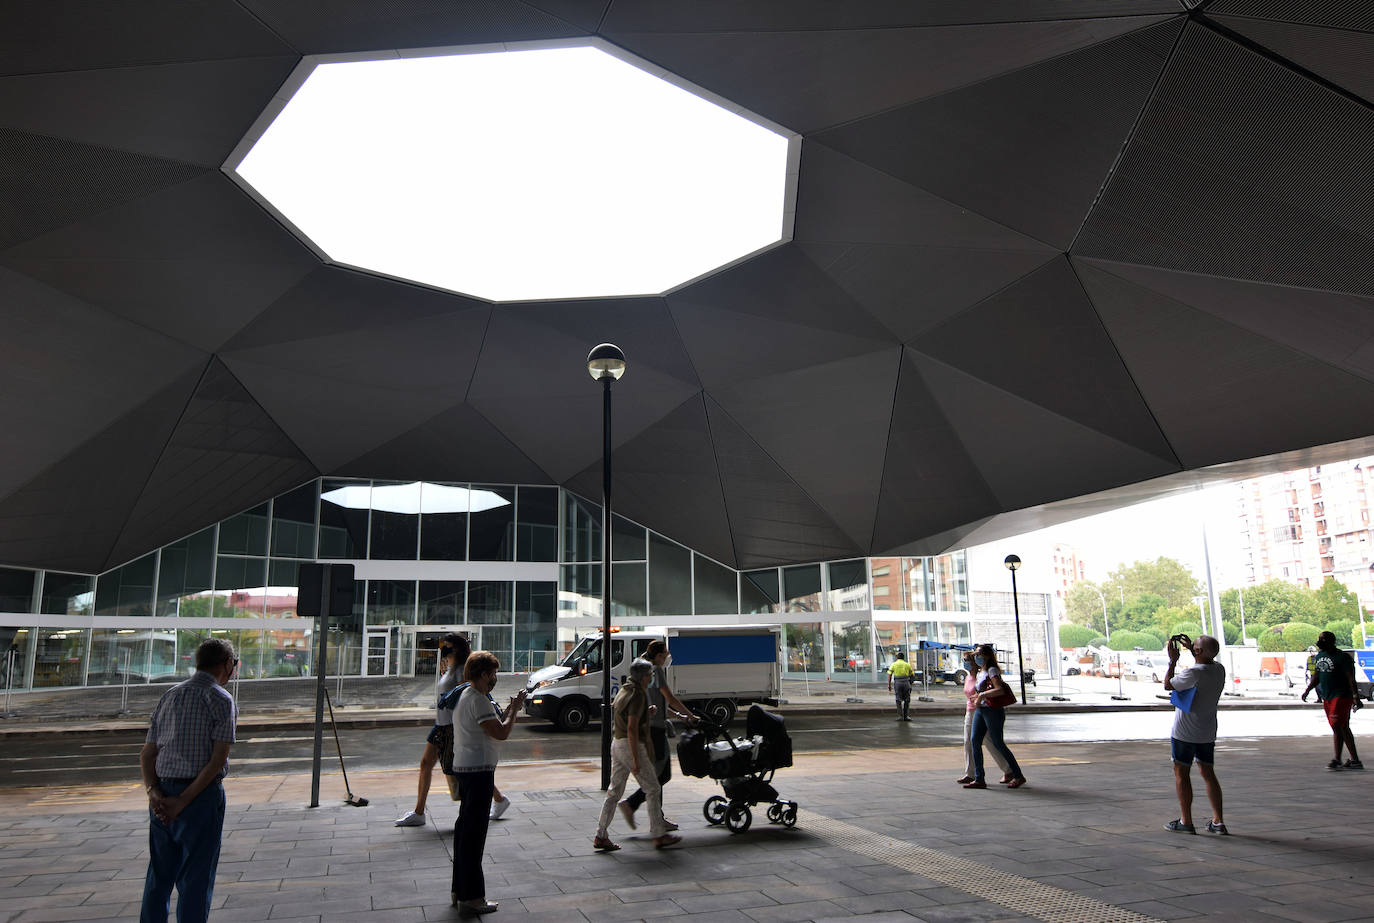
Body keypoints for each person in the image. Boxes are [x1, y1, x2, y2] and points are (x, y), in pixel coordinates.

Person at [139, 638, 238, 923]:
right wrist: (182, 802)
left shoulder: (171, 695)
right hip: (200, 797)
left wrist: (154, 794)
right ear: (227, 664)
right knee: (196, 877)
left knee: (158, 876)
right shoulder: (221, 699)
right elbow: (217, 760)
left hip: (161, 793)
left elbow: (147, 754)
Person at [450, 650, 525, 915]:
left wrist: (507, 709)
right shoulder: (479, 700)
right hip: (478, 772)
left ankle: (459, 889)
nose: (495, 678)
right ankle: (472, 898)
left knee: (465, 831)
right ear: (484, 674)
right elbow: (501, 732)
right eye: (493, 673)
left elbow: (491, 725)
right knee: (474, 836)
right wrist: (515, 710)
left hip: (466, 768)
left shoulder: (467, 696)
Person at [594, 659, 681, 851]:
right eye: (650, 674)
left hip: (616, 743)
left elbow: (626, 716)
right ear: (643, 677)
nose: (651, 677)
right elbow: (633, 729)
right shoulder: (638, 695)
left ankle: (601, 835)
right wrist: (635, 759)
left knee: (614, 792)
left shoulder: (626, 689)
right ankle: (659, 835)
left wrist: (646, 713)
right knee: (652, 788)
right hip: (629, 745)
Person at [620, 641, 697, 830]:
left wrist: (677, 715)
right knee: (661, 775)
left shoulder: (643, 670)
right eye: (666, 654)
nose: (667, 658)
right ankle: (633, 804)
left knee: (658, 774)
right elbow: (669, 698)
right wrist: (690, 715)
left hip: (648, 728)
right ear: (659, 656)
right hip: (655, 730)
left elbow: (657, 703)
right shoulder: (657, 671)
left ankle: (656, 819)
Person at [396, 633, 470, 827]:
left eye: (447, 646)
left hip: (451, 727)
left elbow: (465, 694)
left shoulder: (461, 669)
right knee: (428, 764)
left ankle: (494, 799)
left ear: (456, 648)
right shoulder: (450, 668)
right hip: (441, 724)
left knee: (458, 770)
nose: (443, 649)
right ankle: (419, 812)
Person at [1163, 634, 1227, 834]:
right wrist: (1194, 649)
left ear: (1197, 652)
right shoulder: (1219, 670)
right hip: (1207, 732)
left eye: (1195, 648)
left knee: (1181, 773)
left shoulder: (1193, 673)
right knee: (1208, 773)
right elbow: (1205, 660)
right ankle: (1218, 821)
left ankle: (1186, 821)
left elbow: (1168, 684)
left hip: (1184, 732)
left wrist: (1173, 661)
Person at [964, 644, 1025, 790]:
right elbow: (982, 689)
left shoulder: (992, 670)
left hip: (992, 710)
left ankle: (1017, 775)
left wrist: (982, 695)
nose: (976, 657)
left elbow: (999, 690)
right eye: (976, 655)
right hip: (981, 709)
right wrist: (976, 696)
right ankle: (979, 778)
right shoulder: (980, 671)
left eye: (979, 654)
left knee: (998, 743)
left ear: (987, 656)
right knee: (974, 741)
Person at [1302, 631, 1363, 771]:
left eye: (1323, 639)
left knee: (1337, 726)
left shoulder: (1343, 658)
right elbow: (1317, 676)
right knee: (1342, 727)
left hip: (1341, 696)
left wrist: (1355, 697)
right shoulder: (1320, 656)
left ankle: (1337, 759)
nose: (1320, 642)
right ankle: (1354, 760)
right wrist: (1308, 689)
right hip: (1328, 696)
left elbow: (1350, 678)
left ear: (1331, 641)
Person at [955, 649, 1010, 785]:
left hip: (982, 711)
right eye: (964, 660)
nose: (965, 663)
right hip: (970, 710)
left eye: (967, 660)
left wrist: (981, 697)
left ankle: (1009, 770)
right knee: (970, 742)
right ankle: (971, 773)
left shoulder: (982, 675)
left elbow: (990, 691)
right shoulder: (968, 677)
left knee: (989, 742)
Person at [887, 650, 916, 721]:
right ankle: (906, 716)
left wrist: (889, 685)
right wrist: (910, 683)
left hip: (898, 683)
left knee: (898, 699)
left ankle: (900, 716)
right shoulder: (907, 664)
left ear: (897, 658)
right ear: (903, 658)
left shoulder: (894, 664)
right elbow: (912, 675)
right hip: (906, 682)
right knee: (907, 700)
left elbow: (890, 675)